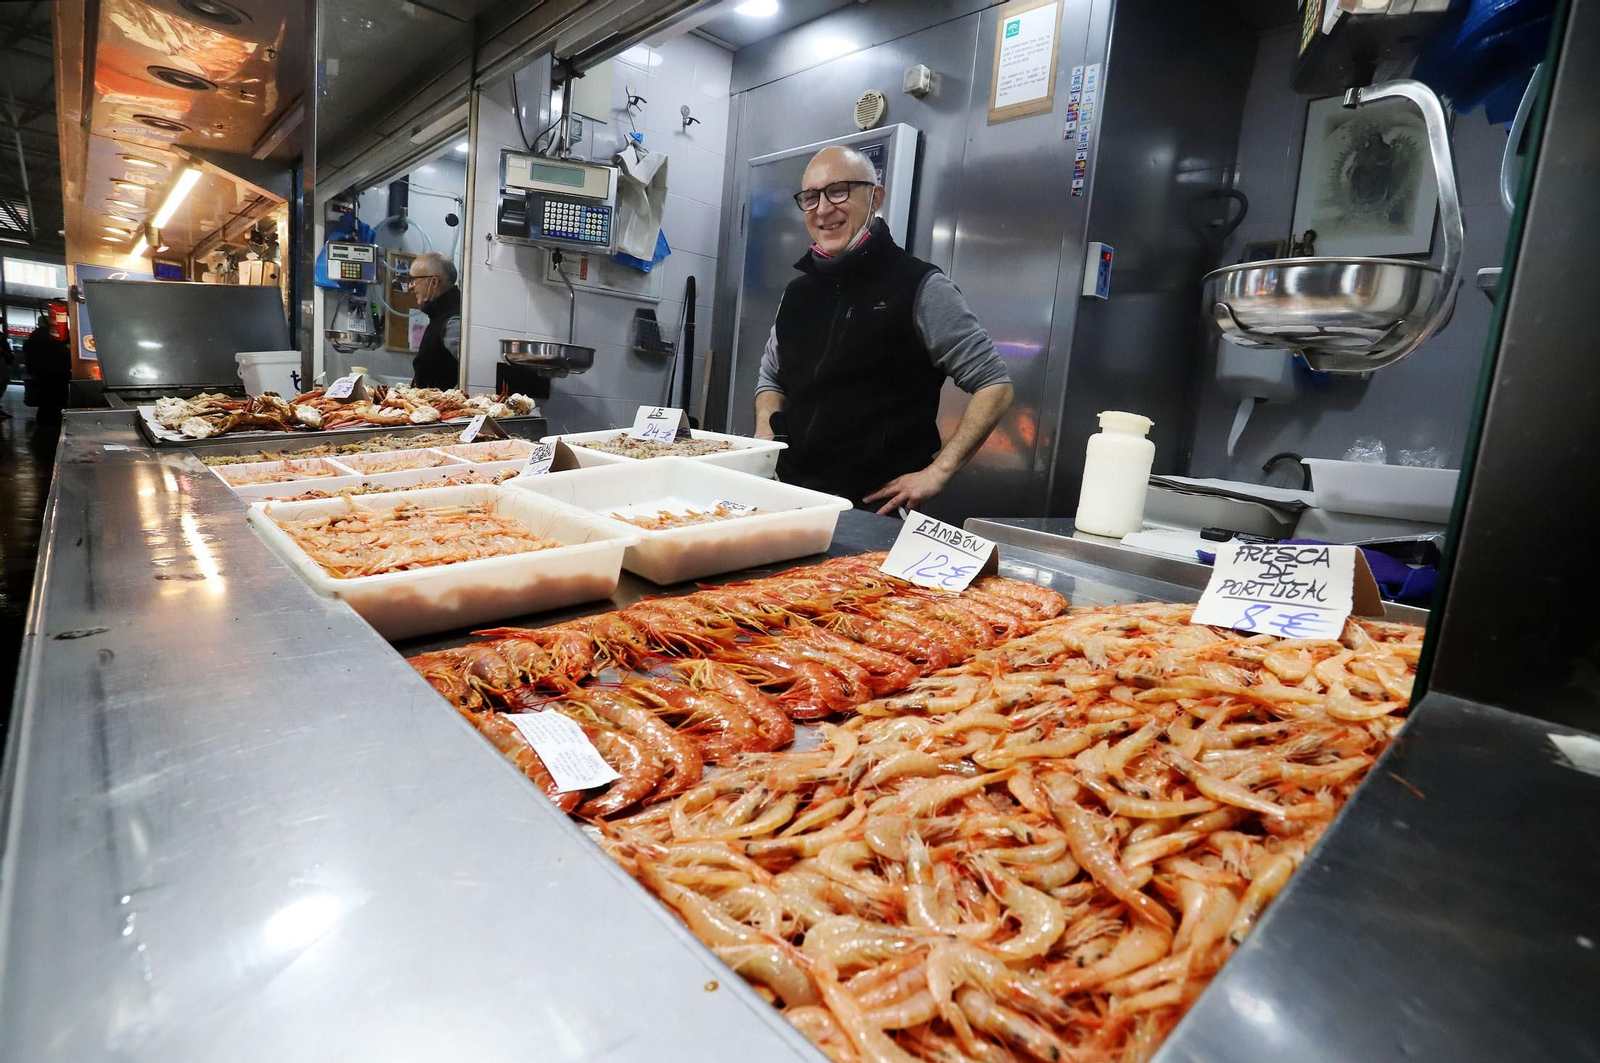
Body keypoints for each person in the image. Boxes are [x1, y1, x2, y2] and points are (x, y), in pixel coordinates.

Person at [754, 146, 1014, 515]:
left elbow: (995, 385)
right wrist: (766, 435)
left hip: (873, 511)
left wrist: (937, 472)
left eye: (839, 190)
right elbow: (771, 378)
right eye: (811, 197)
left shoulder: (920, 287)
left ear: (875, 197)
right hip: (791, 498)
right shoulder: (798, 293)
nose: (823, 208)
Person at [407, 251, 461, 389]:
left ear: (434, 282)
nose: (410, 286)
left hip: (441, 409)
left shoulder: (452, 322)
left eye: (414, 280)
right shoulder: (439, 316)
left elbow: (471, 370)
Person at [22, 314, 71, 421]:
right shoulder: (50, 337)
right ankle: (51, 421)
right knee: (55, 399)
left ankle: (45, 421)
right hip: (54, 374)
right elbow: (61, 353)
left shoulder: (35, 336)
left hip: (42, 374)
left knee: (45, 401)